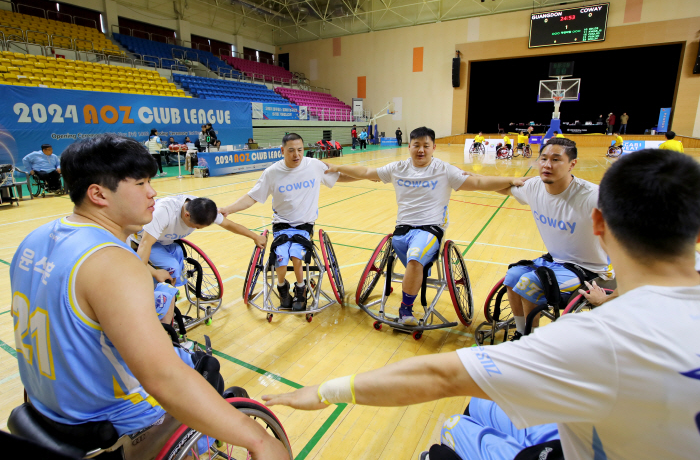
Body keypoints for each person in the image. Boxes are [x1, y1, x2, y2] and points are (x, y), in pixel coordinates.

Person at [263, 149, 700, 460]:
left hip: (588, 419)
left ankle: (428, 314)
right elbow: (499, 184)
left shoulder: (594, 340)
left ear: (599, 224)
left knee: (455, 429)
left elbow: (438, 375)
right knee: (492, 389)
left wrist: (321, 391)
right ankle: (522, 331)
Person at [10, 134, 289, 459]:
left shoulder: (34, 238)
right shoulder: (111, 262)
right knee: (205, 369)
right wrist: (258, 440)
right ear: (98, 194)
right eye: (141, 183)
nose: (153, 191)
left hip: (44, 401)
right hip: (102, 413)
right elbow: (164, 378)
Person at [323, 127, 527, 325]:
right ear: (409, 146)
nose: (421, 150)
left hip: (430, 229)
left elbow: (479, 183)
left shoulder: (444, 170)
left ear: (433, 147)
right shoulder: (397, 168)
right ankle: (416, 275)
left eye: (426, 146)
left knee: (415, 258)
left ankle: (405, 310)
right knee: (413, 258)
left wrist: (511, 180)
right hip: (402, 231)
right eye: (416, 145)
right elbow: (366, 171)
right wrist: (337, 168)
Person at [219, 133, 358, 311]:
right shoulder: (272, 173)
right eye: (291, 151)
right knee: (281, 257)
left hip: (304, 225)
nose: (296, 155)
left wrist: (366, 176)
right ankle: (282, 288)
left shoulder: (313, 165)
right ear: (282, 150)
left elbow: (339, 176)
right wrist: (228, 209)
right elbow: (252, 197)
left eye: (300, 150)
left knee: (296, 255)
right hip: (281, 225)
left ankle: (301, 289)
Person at [498, 137, 615, 338]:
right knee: (513, 276)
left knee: (529, 283)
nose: (547, 165)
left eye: (556, 159)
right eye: (543, 158)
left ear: (572, 164)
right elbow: (505, 188)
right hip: (557, 261)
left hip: (590, 270)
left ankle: (530, 340)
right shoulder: (535, 186)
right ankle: (521, 332)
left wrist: (605, 300)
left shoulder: (593, 197)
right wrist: (463, 178)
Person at [133, 195, 266, 320]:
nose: (197, 229)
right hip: (146, 241)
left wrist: (255, 237)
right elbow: (145, 245)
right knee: (171, 267)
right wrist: (148, 274)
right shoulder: (164, 213)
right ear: (186, 215)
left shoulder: (205, 210)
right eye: (196, 227)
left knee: (178, 267)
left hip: (168, 241)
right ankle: (156, 305)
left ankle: (169, 294)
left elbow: (229, 225)